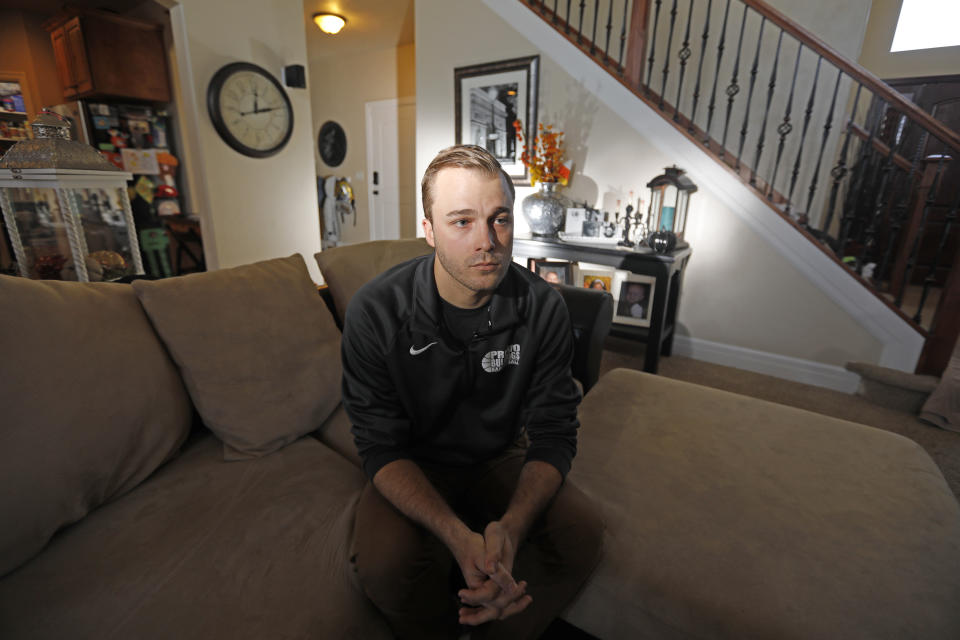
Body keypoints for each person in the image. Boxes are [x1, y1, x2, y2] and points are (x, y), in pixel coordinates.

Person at [341, 144, 604, 640]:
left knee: (582, 533)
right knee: (385, 565)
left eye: (499, 218)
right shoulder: (375, 312)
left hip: (500, 453)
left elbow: (553, 431)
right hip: (414, 461)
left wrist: (512, 527)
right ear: (429, 230)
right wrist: (456, 536)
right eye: (461, 221)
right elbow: (379, 445)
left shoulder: (542, 307)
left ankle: (498, 624)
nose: (487, 241)